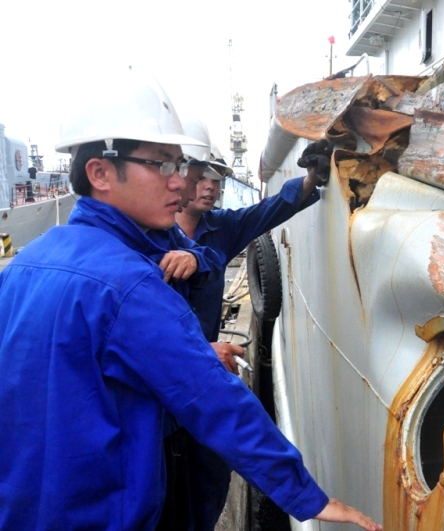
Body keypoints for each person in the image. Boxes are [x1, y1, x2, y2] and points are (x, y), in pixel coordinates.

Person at [0, 68, 381, 531]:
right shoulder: (128, 285)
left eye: (180, 165)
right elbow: (212, 396)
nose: (179, 181)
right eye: (161, 164)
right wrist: (303, 494)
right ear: (100, 172)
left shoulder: (25, 265)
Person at [174, 132, 326, 530]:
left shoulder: (219, 229)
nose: (210, 186)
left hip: (200, 372)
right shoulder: (144, 238)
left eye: (216, 180)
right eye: (202, 176)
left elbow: (269, 211)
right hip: (169, 371)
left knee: (208, 472)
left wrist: (310, 180)